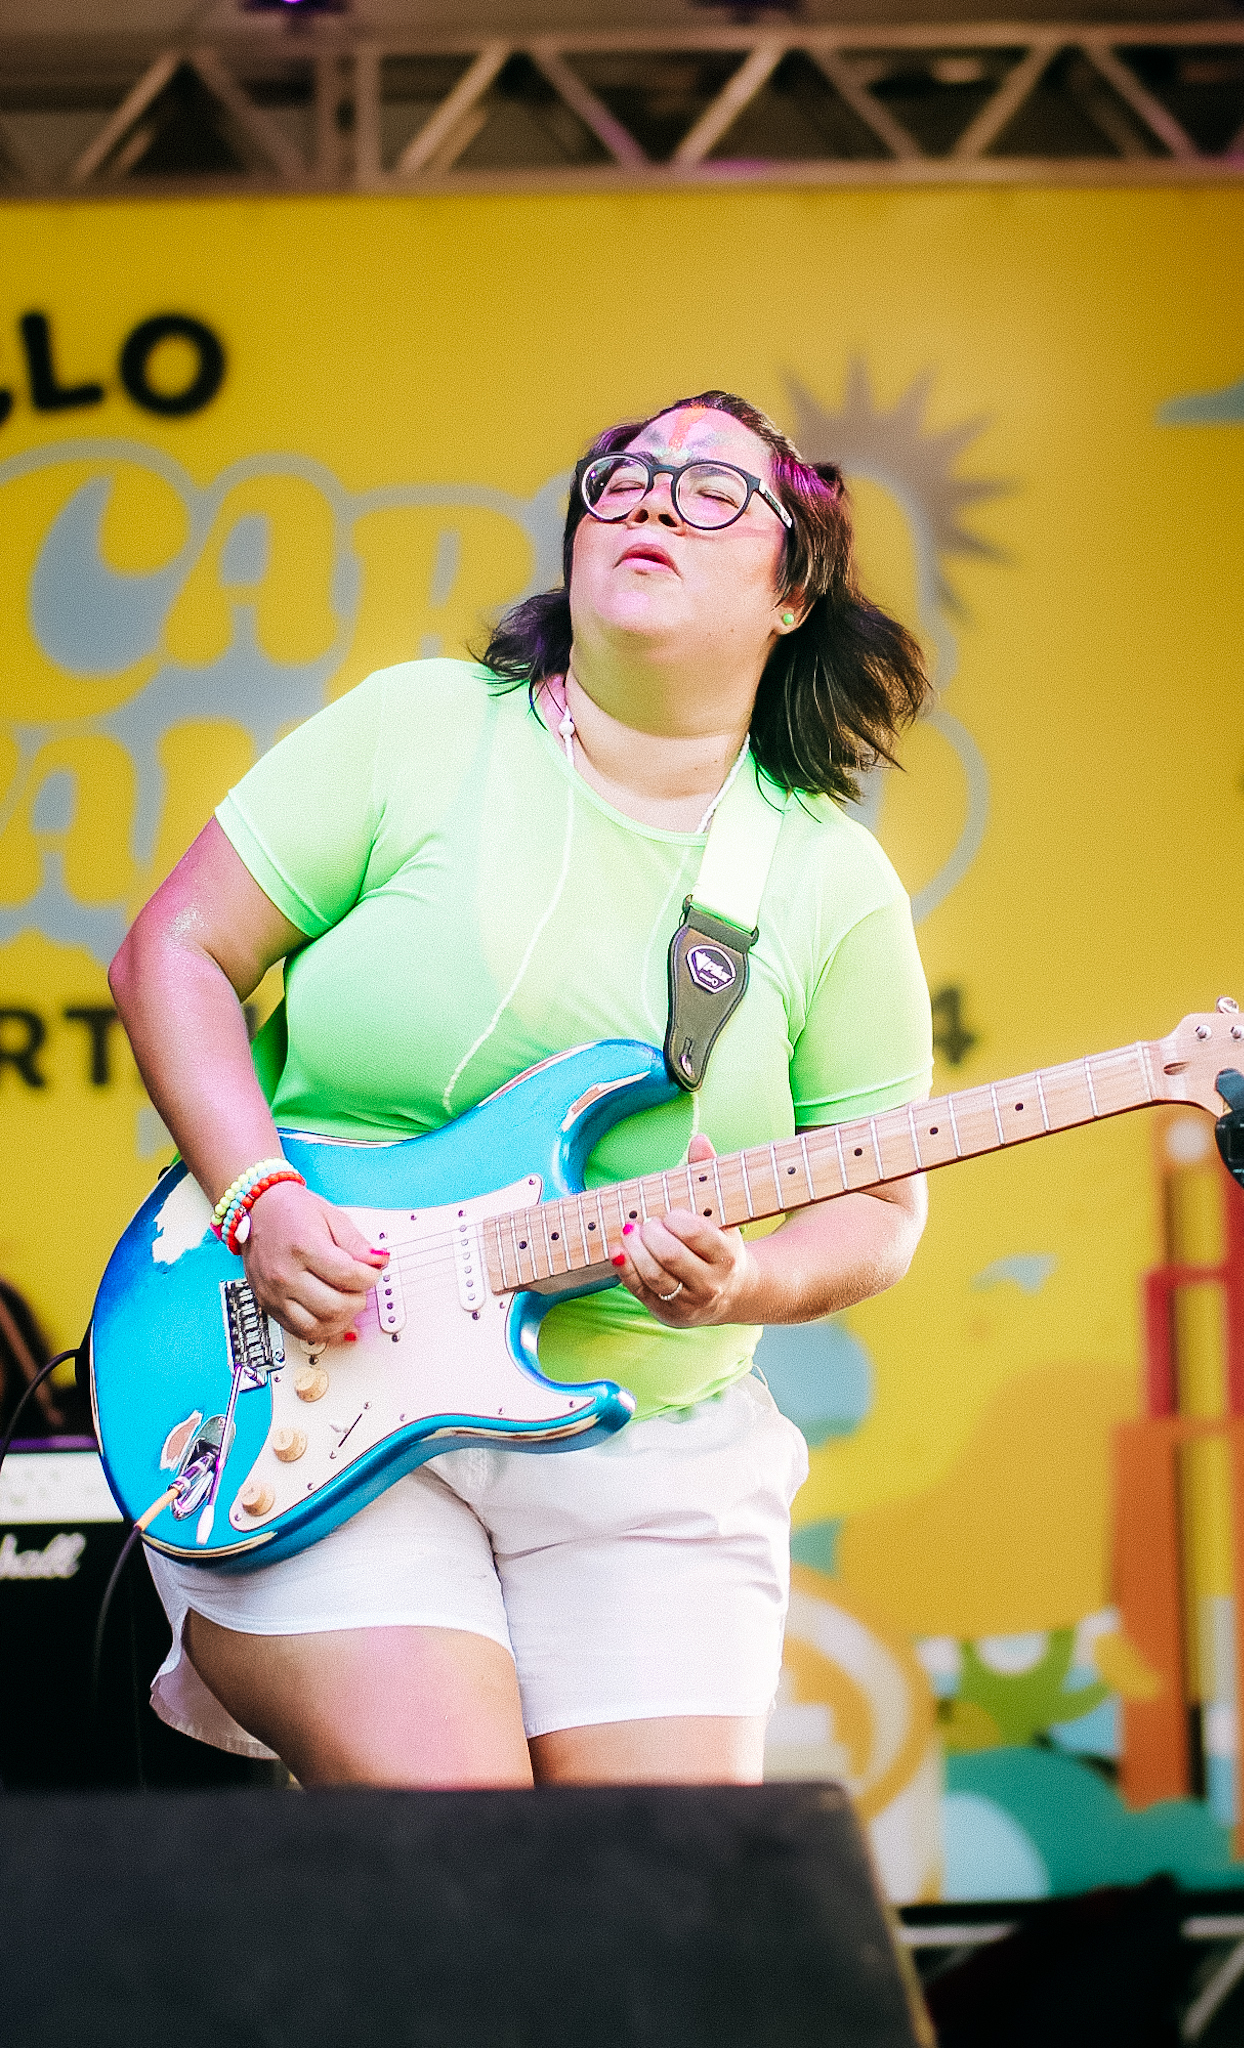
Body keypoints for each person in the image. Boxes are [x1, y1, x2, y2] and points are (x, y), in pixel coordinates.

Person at [107, 391, 934, 1790]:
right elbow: (173, 953)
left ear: (794, 592)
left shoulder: (827, 879)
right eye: (624, 475)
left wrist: (746, 1282)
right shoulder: (419, 729)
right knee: (469, 1844)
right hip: (313, 1387)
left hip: (649, 1453)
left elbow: (879, 1204)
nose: (652, 497)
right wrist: (259, 1198)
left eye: (714, 490)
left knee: (644, 1907)